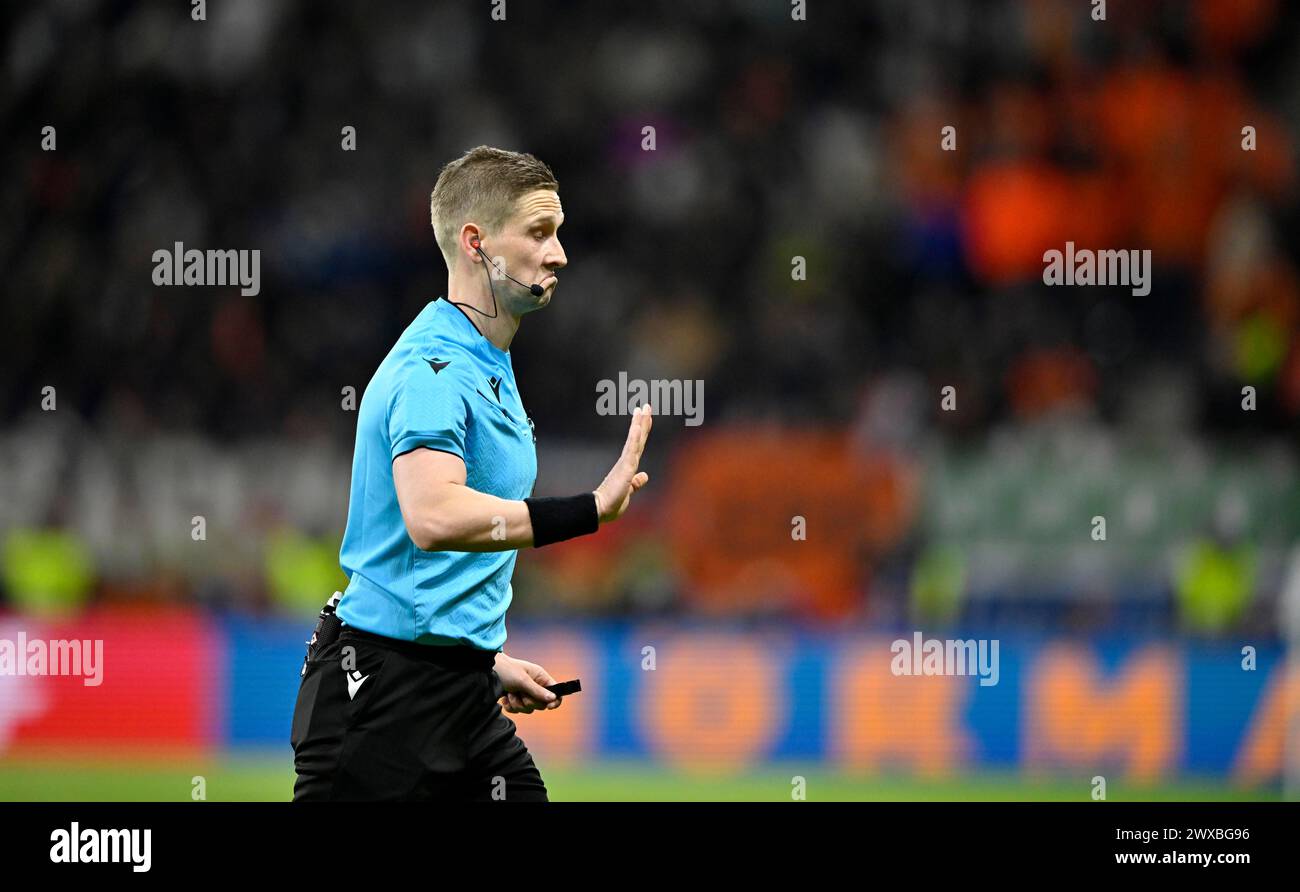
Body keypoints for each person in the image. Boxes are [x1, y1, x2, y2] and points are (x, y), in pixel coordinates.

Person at [290, 145, 653, 801]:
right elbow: (433, 518)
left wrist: (484, 661)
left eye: (559, 233)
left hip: (458, 694)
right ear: (476, 243)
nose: (559, 253)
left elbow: (431, 570)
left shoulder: (486, 362)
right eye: (539, 233)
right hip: (379, 700)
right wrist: (588, 510)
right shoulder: (435, 369)